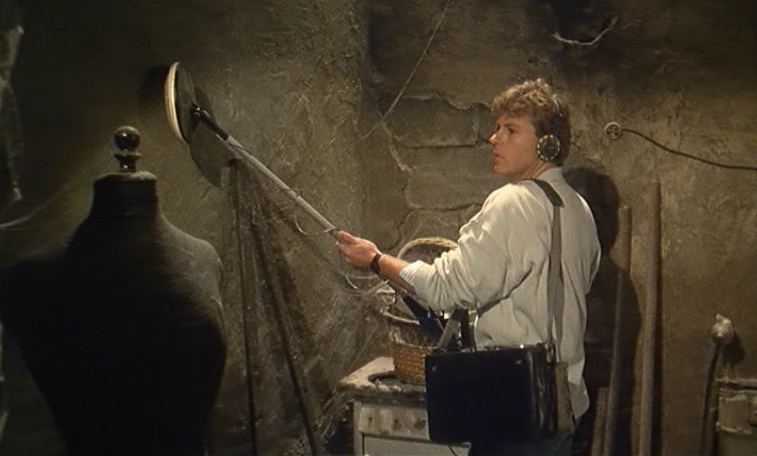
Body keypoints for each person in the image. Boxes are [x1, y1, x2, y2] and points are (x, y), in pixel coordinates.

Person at [336, 78, 601, 456]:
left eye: (510, 130)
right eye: (496, 128)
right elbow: (577, 286)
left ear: (547, 145)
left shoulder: (513, 203)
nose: (494, 139)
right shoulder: (578, 208)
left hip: (515, 409)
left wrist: (377, 261)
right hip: (564, 404)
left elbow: (446, 288)